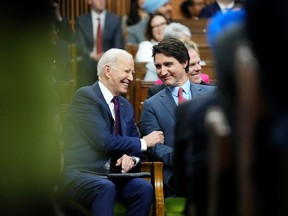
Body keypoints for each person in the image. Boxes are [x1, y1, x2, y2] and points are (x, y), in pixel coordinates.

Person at [62, 48, 165, 216]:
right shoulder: (86, 97)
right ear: (108, 71)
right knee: (105, 188)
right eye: (127, 71)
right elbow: (104, 141)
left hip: (113, 176)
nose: (131, 78)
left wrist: (131, 157)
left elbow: (133, 142)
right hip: (81, 173)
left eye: (132, 73)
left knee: (144, 188)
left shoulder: (125, 106)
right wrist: (145, 142)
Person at [137, 38, 216, 197]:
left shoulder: (210, 94)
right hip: (177, 175)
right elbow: (155, 147)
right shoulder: (151, 105)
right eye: (158, 66)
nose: (162, 71)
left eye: (168, 64)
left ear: (184, 62)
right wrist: (185, 159)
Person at [75, 0, 123, 88]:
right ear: (89, 1)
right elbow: (80, 45)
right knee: (86, 64)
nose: (102, 1)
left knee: (111, 67)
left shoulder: (115, 20)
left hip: (109, 59)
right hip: (88, 59)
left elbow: (118, 45)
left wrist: (106, 56)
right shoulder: (81, 20)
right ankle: (86, 97)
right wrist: (92, 54)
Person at [147, 39, 211, 98]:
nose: (198, 68)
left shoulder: (212, 92)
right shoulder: (155, 93)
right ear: (184, 63)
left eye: (199, 63)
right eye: (191, 65)